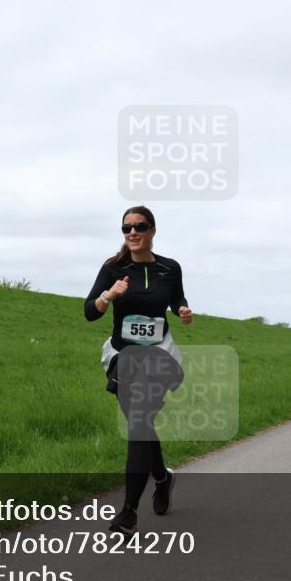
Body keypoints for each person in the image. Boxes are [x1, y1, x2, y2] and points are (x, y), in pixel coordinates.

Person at [84, 205, 193, 535]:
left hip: (158, 356)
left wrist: (182, 310)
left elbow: (176, 300)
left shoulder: (169, 268)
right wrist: (108, 295)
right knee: (140, 425)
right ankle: (162, 477)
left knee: (139, 424)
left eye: (140, 226)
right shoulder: (113, 267)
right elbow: (90, 311)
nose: (133, 232)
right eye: (127, 228)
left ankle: (128, 514)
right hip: (123, 356)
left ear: (152, 231)